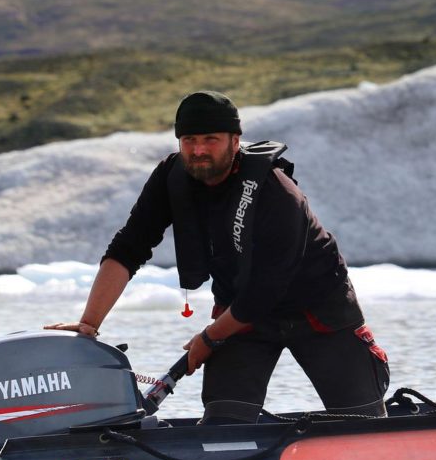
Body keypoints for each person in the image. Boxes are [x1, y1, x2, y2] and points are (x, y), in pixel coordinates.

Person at [45, 90, 389, 423]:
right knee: (224, 426)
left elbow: (265, 290)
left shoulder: (278, 194)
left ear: (235, 141)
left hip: (318, 311)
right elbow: (128, 248)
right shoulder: (171, 178)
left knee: (363, 422)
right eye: (189, 140)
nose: (198, 150)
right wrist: (89, 323)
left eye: (211, 139)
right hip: (242, 315)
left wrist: (209, 338)